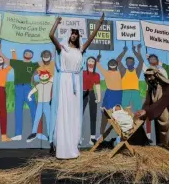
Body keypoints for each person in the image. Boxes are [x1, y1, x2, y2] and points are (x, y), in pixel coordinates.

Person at [48, 14, 104, 159]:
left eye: (76, 34)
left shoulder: (81, 50)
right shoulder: (63, 48)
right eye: (72, 33)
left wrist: (98, 24)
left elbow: (91, 38)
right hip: (65, 82)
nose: (74, 35)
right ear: (69, 35)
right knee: (63, 112)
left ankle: (72, 146)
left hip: (76, 85)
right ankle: (62, 147)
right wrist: (57, 22)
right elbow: (51, 35)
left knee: (74, 114)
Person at [10, 49, 40, 141]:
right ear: (23, 55)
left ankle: (35, 132)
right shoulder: (17, 63)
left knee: (34, 109)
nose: (28, 54)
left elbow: (45, 61)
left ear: (32, 56)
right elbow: (7, 59)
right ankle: (18, 134)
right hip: (18, 88)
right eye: (26, 53)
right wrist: (0, 50)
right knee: (18, 111)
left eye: (30, 53)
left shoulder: (33, 64)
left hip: (27, 88)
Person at [95, 54, 122, 141]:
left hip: (116, 94)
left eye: (114, 63)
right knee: (105, 115)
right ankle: (101, 135)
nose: (113, 64)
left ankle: (119, 135)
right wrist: (98, 59)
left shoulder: (119, 72)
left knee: (116, 115)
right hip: (110, 94)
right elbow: (98, 64)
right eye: (112, 63)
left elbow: (98, 64)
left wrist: (98, 59)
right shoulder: (108, 72)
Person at [26, 70, 53, 142]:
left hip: (47, 104)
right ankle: (34, 133)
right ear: (40, 77)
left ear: (49, 77)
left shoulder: (50, 84)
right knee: (37, 118)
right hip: (40, 104)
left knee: (48, 119)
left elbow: (53, 78)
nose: (44, 77)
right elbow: (32, 91)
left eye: (46, 76)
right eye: (42, 76)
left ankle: (50, 134)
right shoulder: (38, 85)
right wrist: (29, 96)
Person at [116, 45, 144, 112]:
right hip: (125, 92)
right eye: (128, 62)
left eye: (131, 62)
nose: (129, 63)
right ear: (126, 63)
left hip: (135, 92)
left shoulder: (137, 71)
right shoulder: (123, 71)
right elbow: (117, 60)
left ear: (134, 63)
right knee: (124, 110)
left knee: (138, 110)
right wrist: (124, 51)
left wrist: (135, 51)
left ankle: (137, 122)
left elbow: (141, 61)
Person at [82, 56, 101, 145]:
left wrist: (99, 97)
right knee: (79, 115)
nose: (90, 62)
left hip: (92, 93)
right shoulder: (83, 72)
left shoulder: (96, 75)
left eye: (92, 61)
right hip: (83, 93)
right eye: (89, 61)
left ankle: (92, 137)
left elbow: (97, 86)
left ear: (94, 64)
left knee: (93, 115)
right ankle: (78, 136)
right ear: (86, 62)